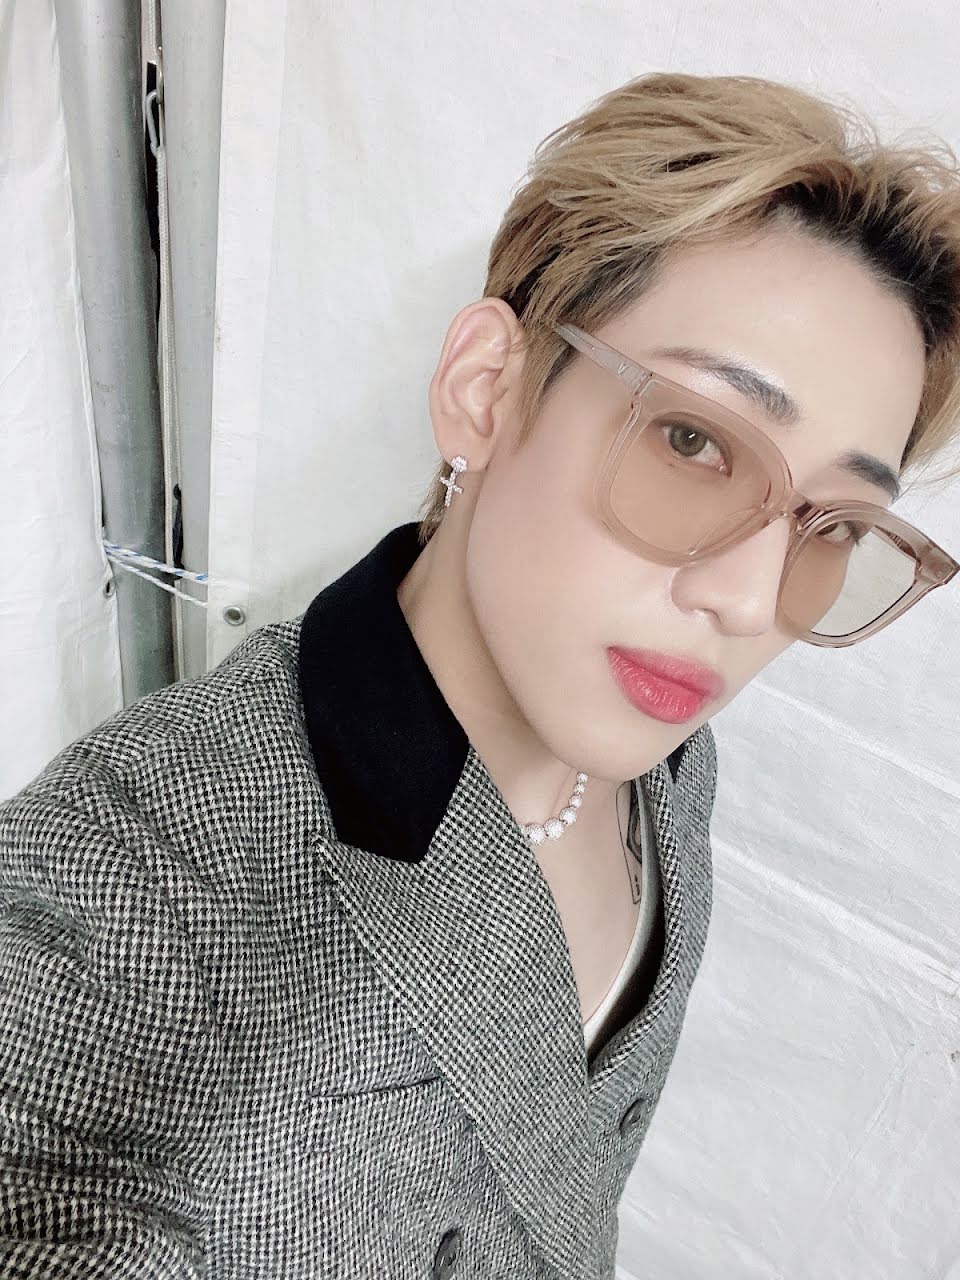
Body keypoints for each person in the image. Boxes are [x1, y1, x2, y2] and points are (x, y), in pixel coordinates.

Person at [2, 70, 959, 1280]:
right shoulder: (133, 881)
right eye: (692, 440)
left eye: (833, 524)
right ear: (487, 388)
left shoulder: (671, 768)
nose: (747, 596)